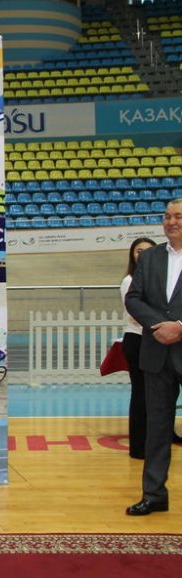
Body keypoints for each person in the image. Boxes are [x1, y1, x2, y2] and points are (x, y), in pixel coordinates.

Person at [124, 199, 182, 515]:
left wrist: (180, 327)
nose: (171, 222)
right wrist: (160, 325)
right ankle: (154, 494)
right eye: (167, 216)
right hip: (156, 352)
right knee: (157, 428)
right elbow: (134, 299)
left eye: (178, 216)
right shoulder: (150, 258)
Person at [121, 237, 157, 459]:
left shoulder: (159, 279)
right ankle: (138, 446)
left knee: (159, 393)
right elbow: (135, 315)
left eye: (148, 251)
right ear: (133, 255)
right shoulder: (130, 280)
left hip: (156, 340)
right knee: (141, 393)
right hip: (138, 339)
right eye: (138, 251)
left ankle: (162, 436)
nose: (143, 255)